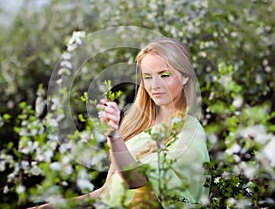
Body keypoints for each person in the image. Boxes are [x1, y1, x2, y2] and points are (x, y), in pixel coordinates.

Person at [31, 38, 210, 208]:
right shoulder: (138, 126)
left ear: (185, 77)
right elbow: (106, 194)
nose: (155, 85)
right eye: (148, 77)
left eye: (164, 75)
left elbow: (137, 180)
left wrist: (114, 136)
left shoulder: (190, 133)